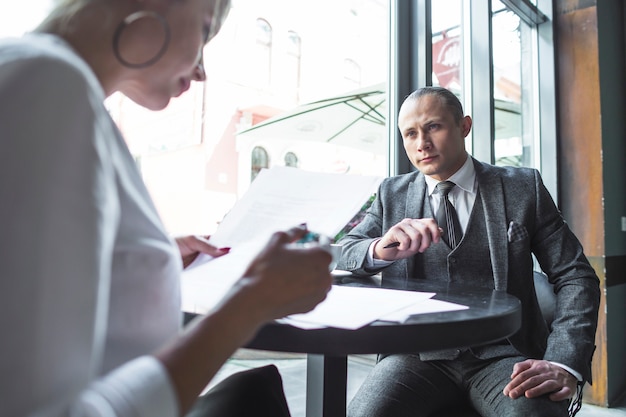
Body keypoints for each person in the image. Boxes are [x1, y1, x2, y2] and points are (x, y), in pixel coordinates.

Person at [0, 1, 333, 416]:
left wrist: (139, 259)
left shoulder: (45, 80)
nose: (201, 70)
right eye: (205, 31)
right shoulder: (48, 85)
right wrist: (250, 304)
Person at [337, 86, 600, 417]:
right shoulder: (391, 193)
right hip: (416, 355)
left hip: (505, 354)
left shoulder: (523, 187)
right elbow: (345, 249)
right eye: (410, 133)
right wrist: (378, 248)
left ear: (464, 126)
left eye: (433, 126)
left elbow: (575, 275)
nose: (422, 143)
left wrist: (563, 360)